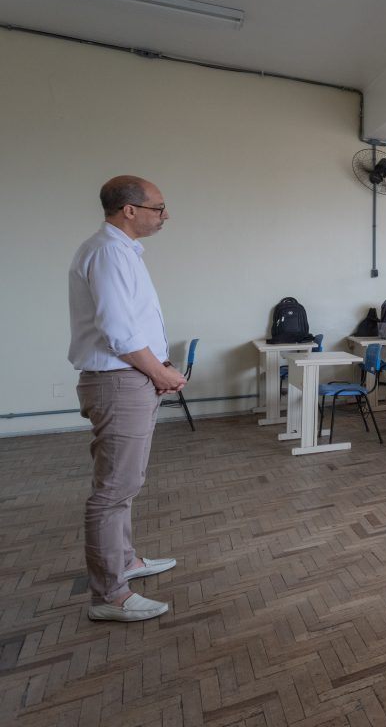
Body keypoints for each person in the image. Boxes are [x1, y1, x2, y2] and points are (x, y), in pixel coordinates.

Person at [68, 176, 188, 623]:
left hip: (129, 379)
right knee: (113, 491)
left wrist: (158, 369)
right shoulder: (107, 253)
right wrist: (160, 372)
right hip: (120, 380)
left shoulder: (121, 252)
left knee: (126, 484)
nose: (165, 215)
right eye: (159, 207)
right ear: (129, 210)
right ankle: (108, 595)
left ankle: (125, 562)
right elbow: (119, 332)